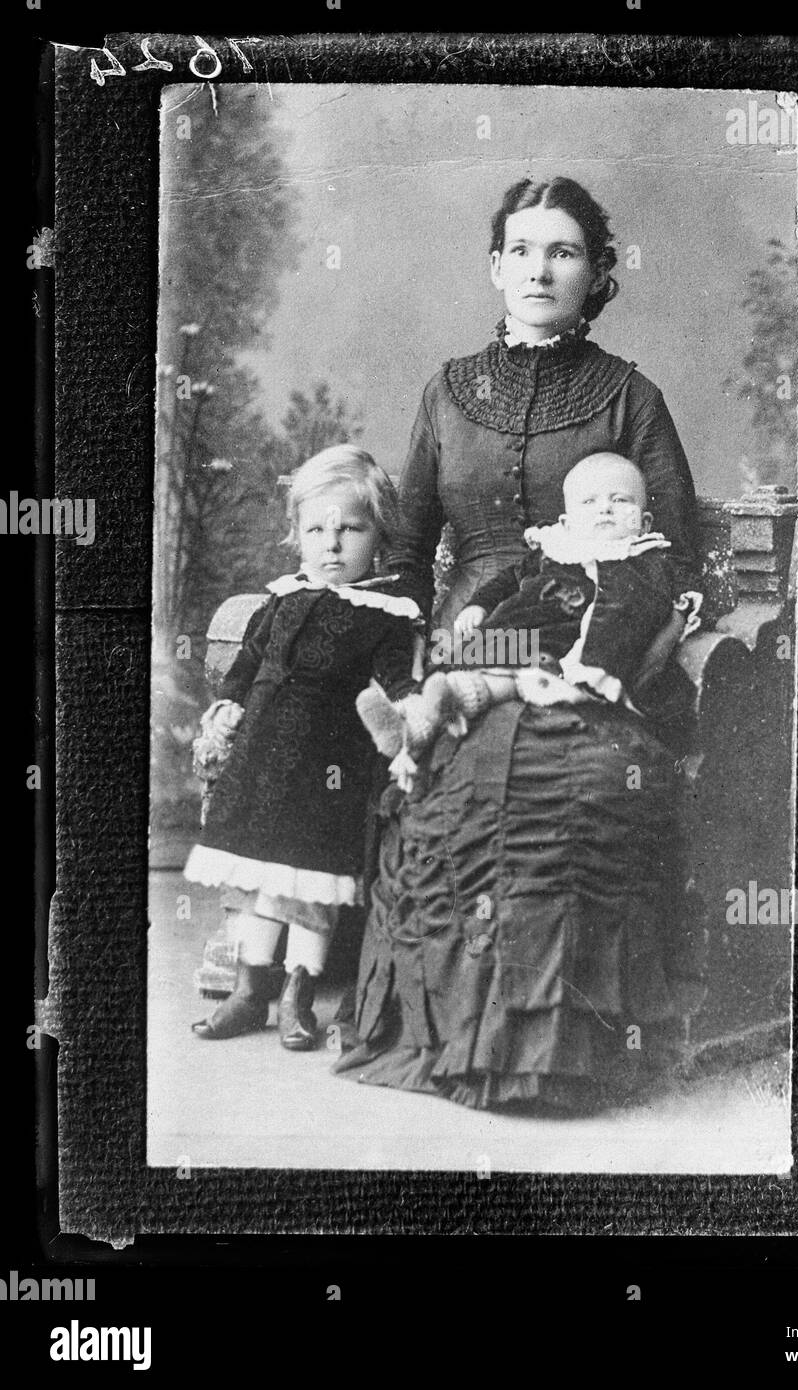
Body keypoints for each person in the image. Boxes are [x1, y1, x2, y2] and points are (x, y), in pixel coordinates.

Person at [334, 177, 705, 1110]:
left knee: (568, 783)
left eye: (565, 251)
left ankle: (552, 1052)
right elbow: (411, 548)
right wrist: (405, 648)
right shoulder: (446, 390)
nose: (542, 269)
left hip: (598, 649)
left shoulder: (631, 395)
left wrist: (640, 651)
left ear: (596, 274)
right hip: (468, 641)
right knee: (458, 761)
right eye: (524, 251)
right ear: (497, 267)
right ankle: (455, 1030)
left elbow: (680, 548)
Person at [183, 446, 420, 1050]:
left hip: (329, 771)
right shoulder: (281, 599)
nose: (332, 544)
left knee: (310, 886)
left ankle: (298, 993)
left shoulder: (386, 614)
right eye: (317, 529)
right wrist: (228, 702)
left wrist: (410, 715)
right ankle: (248, 988)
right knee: (255, 878)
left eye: (350, 529)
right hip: (262, 761)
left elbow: (400, 681)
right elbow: (247, 663)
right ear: (297, 535)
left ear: (379, 536)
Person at [355, 452, 678, 787]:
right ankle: (409, 718)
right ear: (567, 522)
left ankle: (428, 721)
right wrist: (479, 604)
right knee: (456, 661)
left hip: (554, 648)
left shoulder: (643, 563)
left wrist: (593, 668)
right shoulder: (557, 548)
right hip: (506, 632)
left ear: (645, 521)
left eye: (620, 499)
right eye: (590, 501)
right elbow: (510, 578)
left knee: (506, 681)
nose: (605, 508)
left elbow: (634, 613)